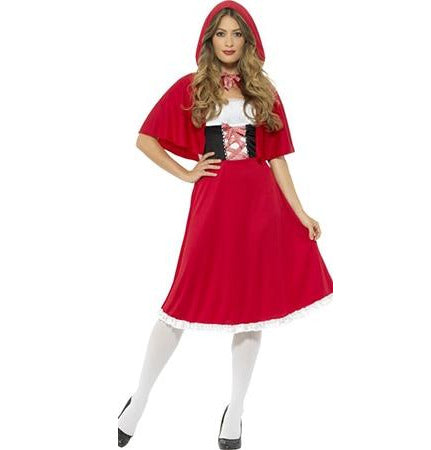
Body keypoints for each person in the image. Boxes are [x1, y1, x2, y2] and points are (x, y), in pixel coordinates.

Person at [118, 1, 334, 448]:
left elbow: (276, 158)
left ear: (248, 41)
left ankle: (235, 413)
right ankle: (139, 399)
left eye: (237, 34)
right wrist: (186, 173)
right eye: (221, 34)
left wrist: (301, 212)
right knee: (181, 301)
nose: (229, 42)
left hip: (259, 209)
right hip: (214, 205)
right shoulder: (192, 87)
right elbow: (145, 139)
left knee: (252, 308)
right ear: (209, 40)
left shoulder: (263, 91)